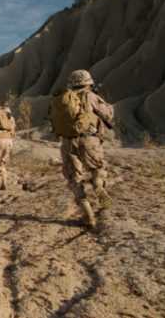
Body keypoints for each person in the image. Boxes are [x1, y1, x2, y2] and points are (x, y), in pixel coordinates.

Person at [51, 69, 114, 229]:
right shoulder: (91, 96)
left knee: (74, 178)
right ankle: (98, 185)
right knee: (96, 167)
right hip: (89, 139)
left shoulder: (63, 98)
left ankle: (88, 215)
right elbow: (108, 115)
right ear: (88, 82)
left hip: (67, 141)